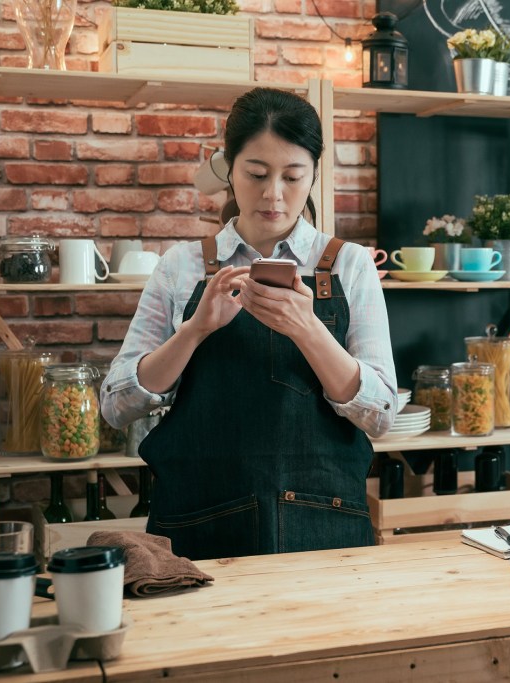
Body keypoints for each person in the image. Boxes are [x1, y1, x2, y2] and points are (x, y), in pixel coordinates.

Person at [101, 87, 397, 561]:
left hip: (325, 529)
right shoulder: (181, 267)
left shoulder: (350, 265)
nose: (273, 194)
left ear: (313, 175)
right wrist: (195, 330)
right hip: (197, 528)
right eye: (256, 174)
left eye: (293, 177)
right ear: (229, 169)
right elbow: (117, 406)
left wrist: (307, 328)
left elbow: (380, 415)